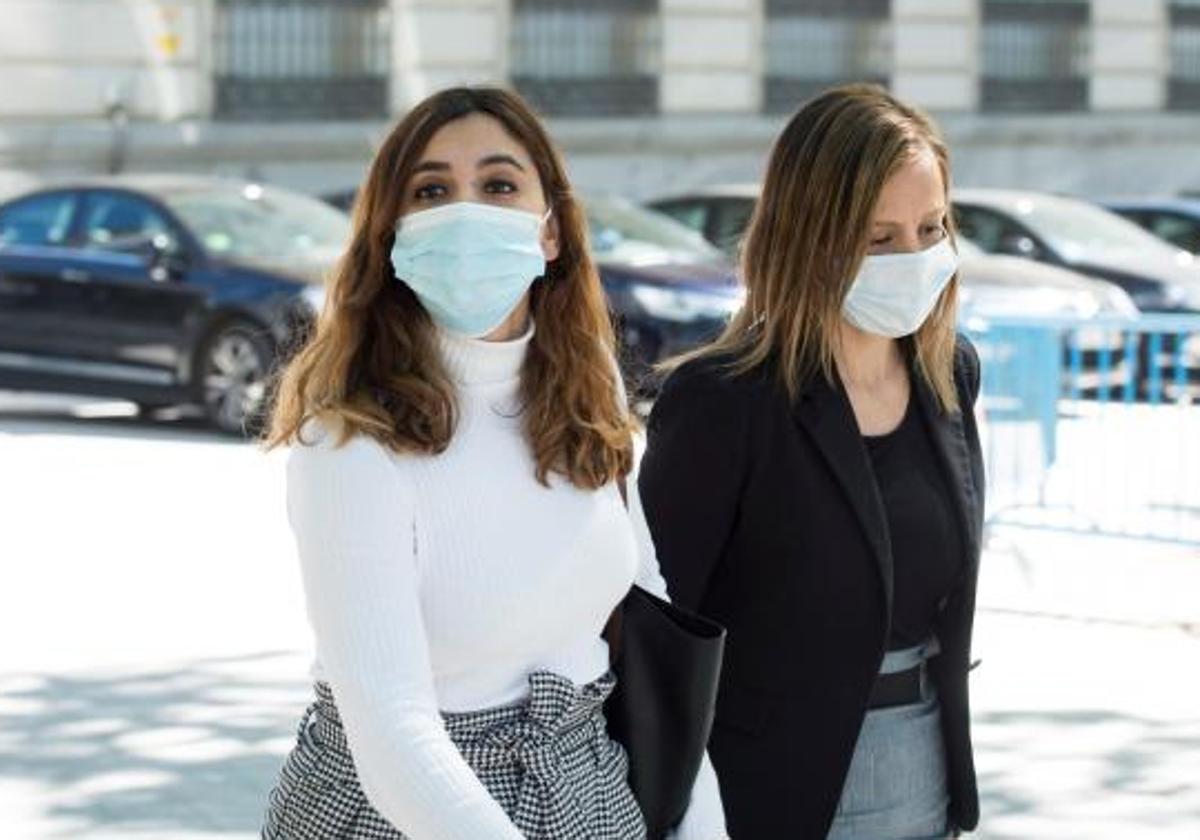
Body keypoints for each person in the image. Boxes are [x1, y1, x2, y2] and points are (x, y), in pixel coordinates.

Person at [258, 86, 726, 840]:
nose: (466, 210)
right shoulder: (347, 439)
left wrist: (703, 824)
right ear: (392, 233)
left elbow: (647, 605)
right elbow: (393, 733)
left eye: (499, 185)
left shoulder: (586, 388)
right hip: (399, 810)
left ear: (549, 231)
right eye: (432, 189)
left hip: (585, 781)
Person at [638, 84, 985, 839]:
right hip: (772, 793)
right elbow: (654, 631)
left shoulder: (948, 373)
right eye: (879, 238)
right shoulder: (721, 401)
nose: (916, 257)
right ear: (808, 239)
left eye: (932, 229)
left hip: (925, 770)